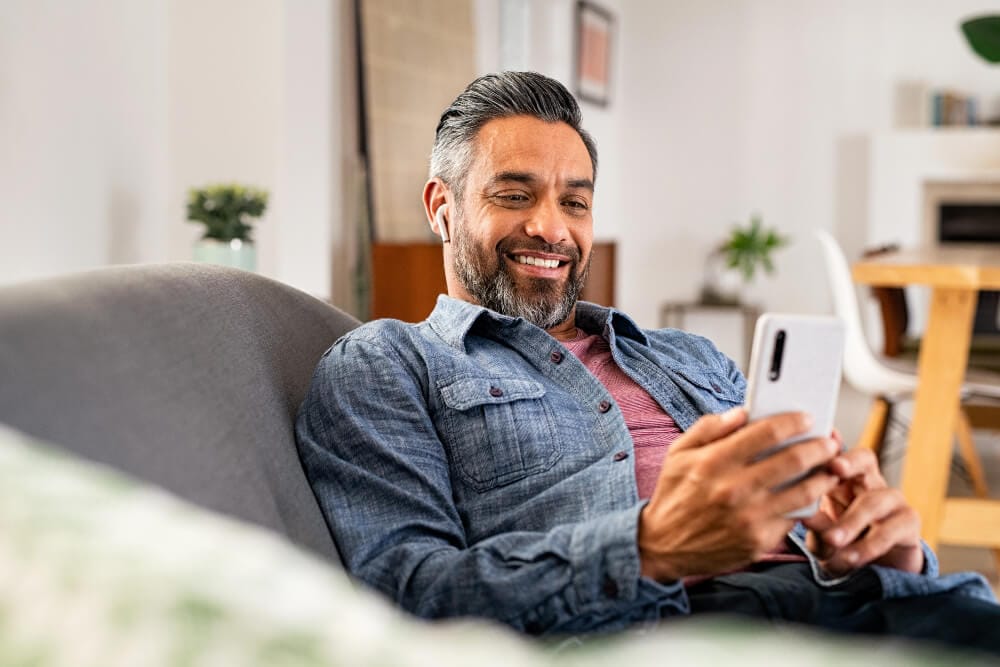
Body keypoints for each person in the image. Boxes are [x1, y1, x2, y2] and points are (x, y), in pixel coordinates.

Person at [296, 71, 1000, 650]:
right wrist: (651, 547)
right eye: (514, 195)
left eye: (575, 201)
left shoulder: (688, 356)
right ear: (440, 207)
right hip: (675, 633)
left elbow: (820, 528)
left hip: (874, 606)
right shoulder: (388, 362)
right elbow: (406, 598)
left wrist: (887, 547)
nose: (551, 227)